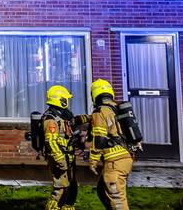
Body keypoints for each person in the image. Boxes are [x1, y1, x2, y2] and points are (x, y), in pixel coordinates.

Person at [89, 79, 133, 210]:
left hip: (115, 162)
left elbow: (99, 140)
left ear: (94, 95)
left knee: (117, 199)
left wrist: (93, 161)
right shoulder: (116, 109)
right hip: (125, 157)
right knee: (102, 190)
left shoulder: (99, 112)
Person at [42, 85, 79, 210]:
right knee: (61, 189)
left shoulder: (61, 116)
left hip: (67, 156)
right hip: (59, 158)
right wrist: (60, 160)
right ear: (61, 100)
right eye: (66, 99)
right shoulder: (50, 119)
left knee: (71, 187)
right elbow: (50, 142)